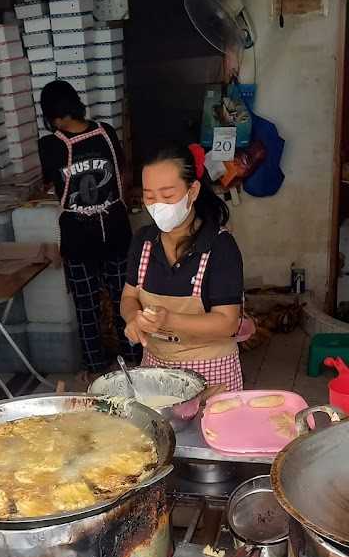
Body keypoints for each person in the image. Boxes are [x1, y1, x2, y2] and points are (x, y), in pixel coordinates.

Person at [121, 143, 245, 391]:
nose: (158, 205)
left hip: (212, 373)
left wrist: (169, 320)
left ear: (193, 190)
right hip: (155, 369)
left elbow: (227, 322)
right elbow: (129, 296)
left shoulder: (219, 247)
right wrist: (133, 317)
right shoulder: (143, 241)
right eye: (149, 196)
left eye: (167, 196)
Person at [38, 80, 136, 376]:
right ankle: (133, 359)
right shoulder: (106, 132)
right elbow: (122, 171)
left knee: (86, 307)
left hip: (78, 238)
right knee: (125, 300)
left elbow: (47, 183)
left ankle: (95, 366)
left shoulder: (49, 145)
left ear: (51, 116)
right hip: (115, 229)